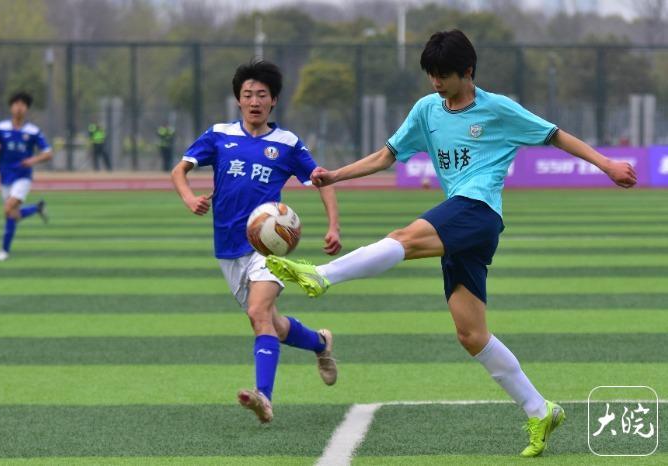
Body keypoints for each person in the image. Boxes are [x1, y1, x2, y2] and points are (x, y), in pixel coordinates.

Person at [266, 30, 637, 456]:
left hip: (478, 210)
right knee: (471, 334)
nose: (436, 82)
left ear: (468, 72)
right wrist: (335, 175)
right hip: (462, 218)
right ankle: (540, 410)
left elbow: (555, 135)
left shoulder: (497, 109)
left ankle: (321, 276)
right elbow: (387, 156)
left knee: (404, 238)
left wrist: (606, 164)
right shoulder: (427, 110)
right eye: (432, 74)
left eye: (444, 74)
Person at [171, 60, 342, 424]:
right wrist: (189, 198)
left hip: (269, 247)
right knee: (272, 324)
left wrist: (333, 227)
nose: (254, 101)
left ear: (273, 100)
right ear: (238, 99)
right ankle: (320, 342)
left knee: (258, 313)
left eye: (261, 94)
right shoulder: (218, 135)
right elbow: (179, 170)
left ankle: (264, 397)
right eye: (247, 94)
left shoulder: (287, 144)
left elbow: (321, 180)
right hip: (227, 248)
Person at [0, 91, 52, 262]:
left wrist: (32, 160)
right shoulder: (1, 128)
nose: (19, 107)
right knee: (12, 214)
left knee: (8, 208)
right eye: (16, 104)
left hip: (23, 177)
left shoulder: (33, 131)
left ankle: (4, 251)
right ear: (11, 107)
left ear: (27, 109)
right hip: (5, 176)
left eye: (23, 105)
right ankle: (37, 208)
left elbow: (48, 153)